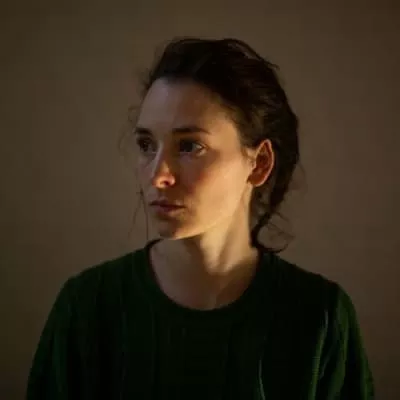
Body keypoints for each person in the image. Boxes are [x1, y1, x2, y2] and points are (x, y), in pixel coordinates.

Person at [26, 36, 374, 399]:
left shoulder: (320, 317)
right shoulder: (87, 307)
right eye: (146, 145)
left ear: (259, 164)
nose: (158, 176)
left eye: (190, 146)